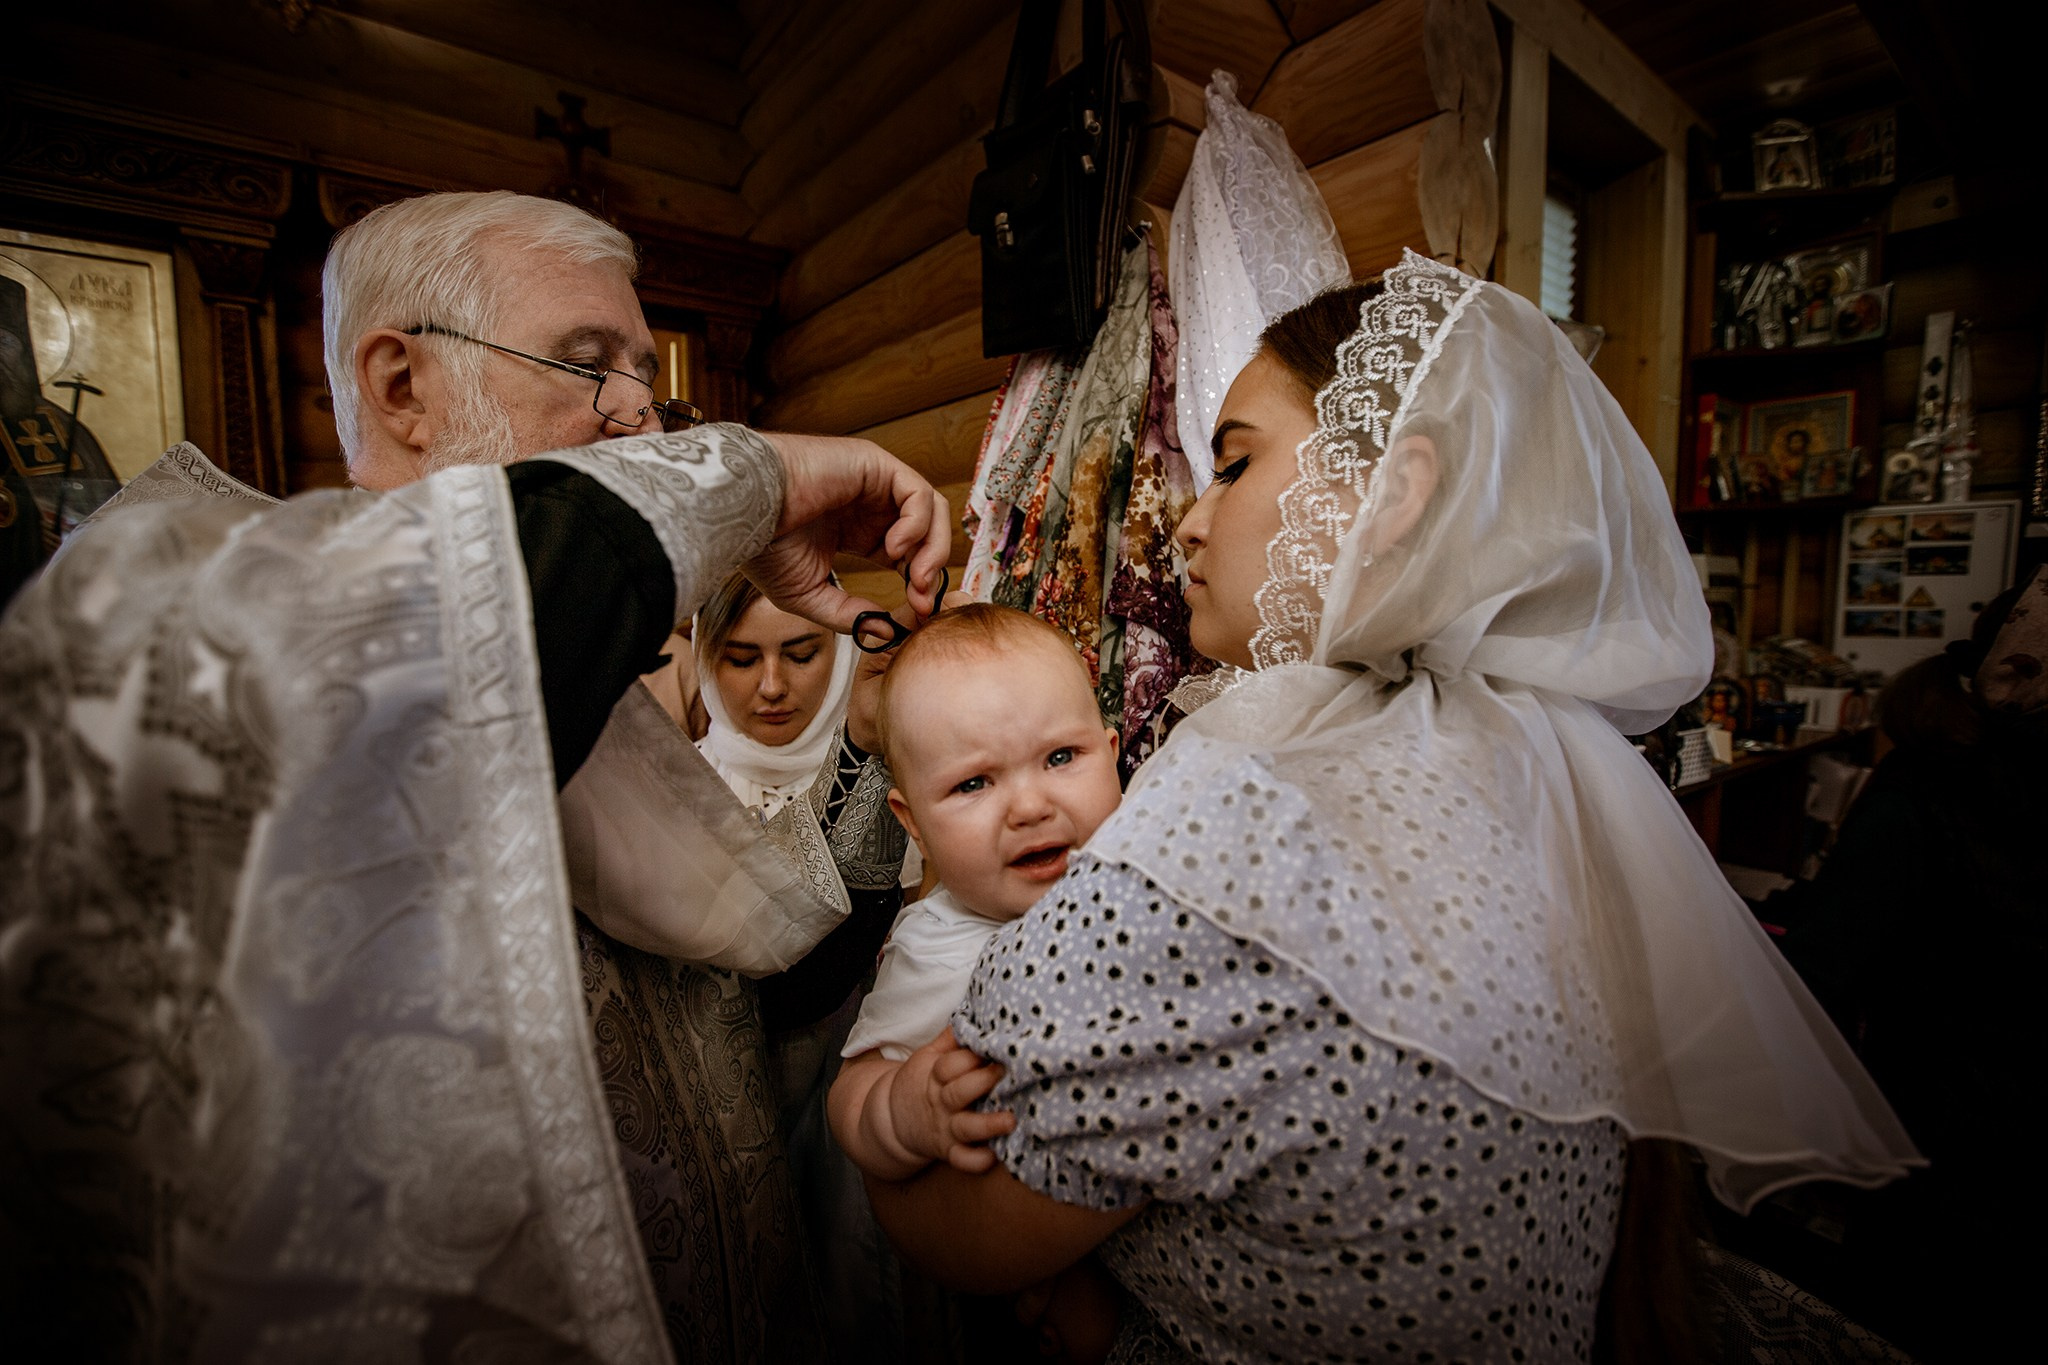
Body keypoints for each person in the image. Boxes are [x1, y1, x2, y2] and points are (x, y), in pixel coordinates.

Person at [859, 254, 1918, 1364]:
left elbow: (970, 1233)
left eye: (1233, 464)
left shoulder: (1240, 815)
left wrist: (874, 1121)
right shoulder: (1527, 768)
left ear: (1394, 490)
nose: (1187, 519)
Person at [0, 189, 951, 1362]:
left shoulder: (578, 645)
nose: (638, 419)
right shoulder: (205, 610)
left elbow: (728, 1001)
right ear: (401, 386)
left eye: (645, 377)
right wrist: (747, 476)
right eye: (585, 364)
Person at [1770, 567, 2047, 1360]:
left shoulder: (1928, 782)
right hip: (1955, 1160)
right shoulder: (1932, 788)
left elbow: (1818, 977)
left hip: (1937, 1163)